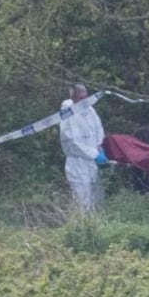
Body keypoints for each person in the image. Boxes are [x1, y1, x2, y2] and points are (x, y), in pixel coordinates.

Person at [59, 83, 106, 212]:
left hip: (93, 163)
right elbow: (72, 142)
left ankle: (99, 229)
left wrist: (100, 146)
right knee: (82, 202)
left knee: (97, 201)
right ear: (73, 97)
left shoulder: (90, 110)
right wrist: (94, 154)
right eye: (80, 98)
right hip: (77, 164)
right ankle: (82, 229)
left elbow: (98, 129)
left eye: (85, 96)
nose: (84, 100)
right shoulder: (67, 114)